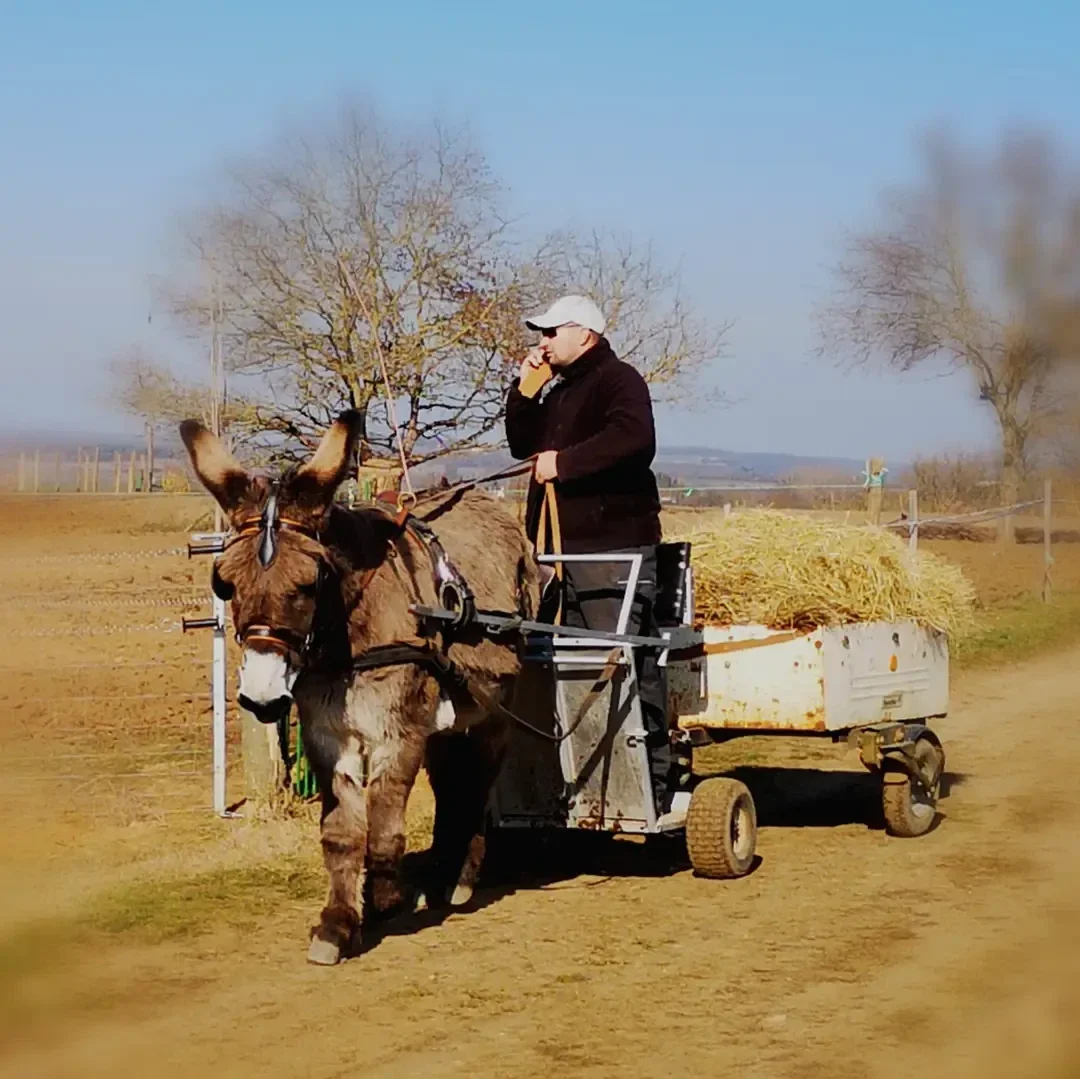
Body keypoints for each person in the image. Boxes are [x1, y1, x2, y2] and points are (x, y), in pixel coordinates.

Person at [504, 294, 681, 817]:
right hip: (558, 554)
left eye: (550, 333)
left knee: (620, 663)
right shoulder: (558, 393)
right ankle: (578, 785)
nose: (542, 343)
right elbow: (521, 446)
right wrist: (523, 393)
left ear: (584, 334)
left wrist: (566, 464)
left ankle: (653, 783)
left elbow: (634, 439)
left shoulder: (620, 380)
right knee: (560, 668)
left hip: (613, 548)